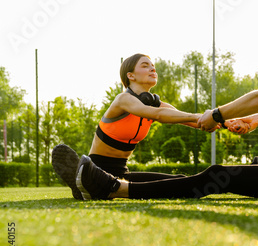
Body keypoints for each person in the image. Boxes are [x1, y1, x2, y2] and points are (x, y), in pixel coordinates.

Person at [75, 0, 258, 201]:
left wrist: (216, 115)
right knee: (244, 175)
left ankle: (114, 188)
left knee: (216, 175)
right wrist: (253, 121)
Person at [52, 54, 204, 200]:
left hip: (122, 172)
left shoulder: (153, 103)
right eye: (145, 66)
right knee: (180, 184)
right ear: (131, 76)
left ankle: (83, 186)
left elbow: (185, 117)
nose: (153, 69)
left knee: (180, 180)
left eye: (153, 66)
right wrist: (200, 117)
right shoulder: (123, 99)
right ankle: (88, 180)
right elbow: (158, 114)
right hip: (98, 169)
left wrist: (221, 121)